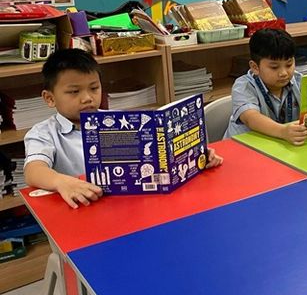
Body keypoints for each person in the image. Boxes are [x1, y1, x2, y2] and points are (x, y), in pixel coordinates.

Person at [23, 49, 223, 209]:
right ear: (50, 98)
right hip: (82, 210)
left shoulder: (117, 121)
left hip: (129, 207)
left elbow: (155, 159)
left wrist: (195, 156)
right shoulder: (43, 133)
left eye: (94, 88)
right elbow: (33, 171)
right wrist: (62, 182)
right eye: (74, 92)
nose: (87, 98)